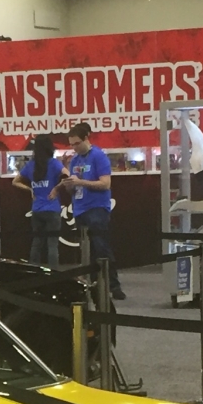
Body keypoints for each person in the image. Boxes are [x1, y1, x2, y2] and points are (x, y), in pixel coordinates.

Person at [62, 122, 124, 299]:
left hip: (97, 207)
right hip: (79, 208)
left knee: (101, 247)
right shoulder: (75, 160)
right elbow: (72, 189)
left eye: (77, 143)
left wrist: (80, 182)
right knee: (87, 251)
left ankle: (113, 285)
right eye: (71, 144)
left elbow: (105, 184)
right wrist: (69, 185)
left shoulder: (98, 156)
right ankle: (94, 285)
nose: (74, 147)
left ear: (86, 139)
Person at [12, 134, 68, 269]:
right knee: (52, 245)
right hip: (53, 209)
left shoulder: (31, 165)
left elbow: (15, 181)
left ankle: (34, 271)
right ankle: (54, 273)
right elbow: (68, 176)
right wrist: (57, 188)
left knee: (36, 244)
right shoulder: (54, 163)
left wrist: (30, 189)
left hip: (37, 209)